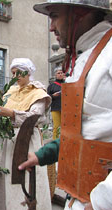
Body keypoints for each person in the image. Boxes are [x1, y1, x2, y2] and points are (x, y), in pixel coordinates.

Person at [19, 1, 112, 210]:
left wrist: (110, 201)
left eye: (55, 16)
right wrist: (41, 155)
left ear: (80, 13)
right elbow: (81, 132)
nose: (51, 27)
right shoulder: (82, 57)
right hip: (77, 203)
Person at [0, 58, 52, 210]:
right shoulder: (11, 92)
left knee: (29, 180)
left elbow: (35, 117)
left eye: (19, 72)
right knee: (11, 180)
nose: (15, 76)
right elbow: (5, 115)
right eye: (13, 73)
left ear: (28, 72)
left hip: (29, 141)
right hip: (11, 142)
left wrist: (10, 113)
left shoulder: (38, 92)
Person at [46, 66, 65, 201]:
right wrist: (54, 95)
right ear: (55, 75)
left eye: (61, 72)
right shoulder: (52, 86)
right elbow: (47, 98)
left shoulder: (67, 83)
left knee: (65, 127)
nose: (60, 74)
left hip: (66, 107)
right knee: (56, 127)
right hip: (55, 108)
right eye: (58, 72)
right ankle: (56, 142)